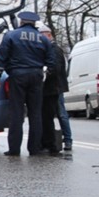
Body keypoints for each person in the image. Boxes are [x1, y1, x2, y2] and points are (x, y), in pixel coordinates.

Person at [0, 9, 54, 156]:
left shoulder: (11, 36)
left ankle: (14, 149)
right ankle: (34, 149)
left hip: (17, 76)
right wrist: (44, 73)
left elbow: (1, 57)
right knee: (35, 114)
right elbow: (51, 62)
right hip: (36, 76)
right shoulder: (43, 39)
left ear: (21, 21)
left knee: (17, 114)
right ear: (34, 23)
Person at [39, 25, 72, 153]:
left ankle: (68, 140)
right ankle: (65, 139)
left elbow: (55, 69)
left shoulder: (54, 49)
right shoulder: (51, 48)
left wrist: (45, 74)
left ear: (48, 35)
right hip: (55, 87)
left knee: (61, 114)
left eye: (41, 35)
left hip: (56, 87)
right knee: (57, 114)